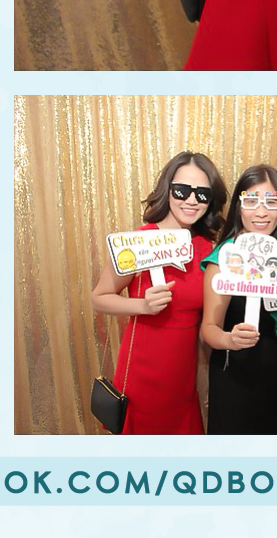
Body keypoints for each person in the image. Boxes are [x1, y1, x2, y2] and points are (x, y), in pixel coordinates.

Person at [89, 152, 227, 434]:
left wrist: (215, 382)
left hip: (182, 378)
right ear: (168, 190)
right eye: (182, 190)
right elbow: (99, 298)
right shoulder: (137, 242)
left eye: (202, 194)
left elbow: (209, 325)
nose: (192, 200)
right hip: (141, 373)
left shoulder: (208, 249)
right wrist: (142, 306)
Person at [201, 164, 277, 432]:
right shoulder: (225, 258)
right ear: (239, 207)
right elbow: (208, 329)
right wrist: (229, 339)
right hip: (234, 375)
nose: (261, 212)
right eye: (251, 201)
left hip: (276, 374)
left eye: (271, 202)